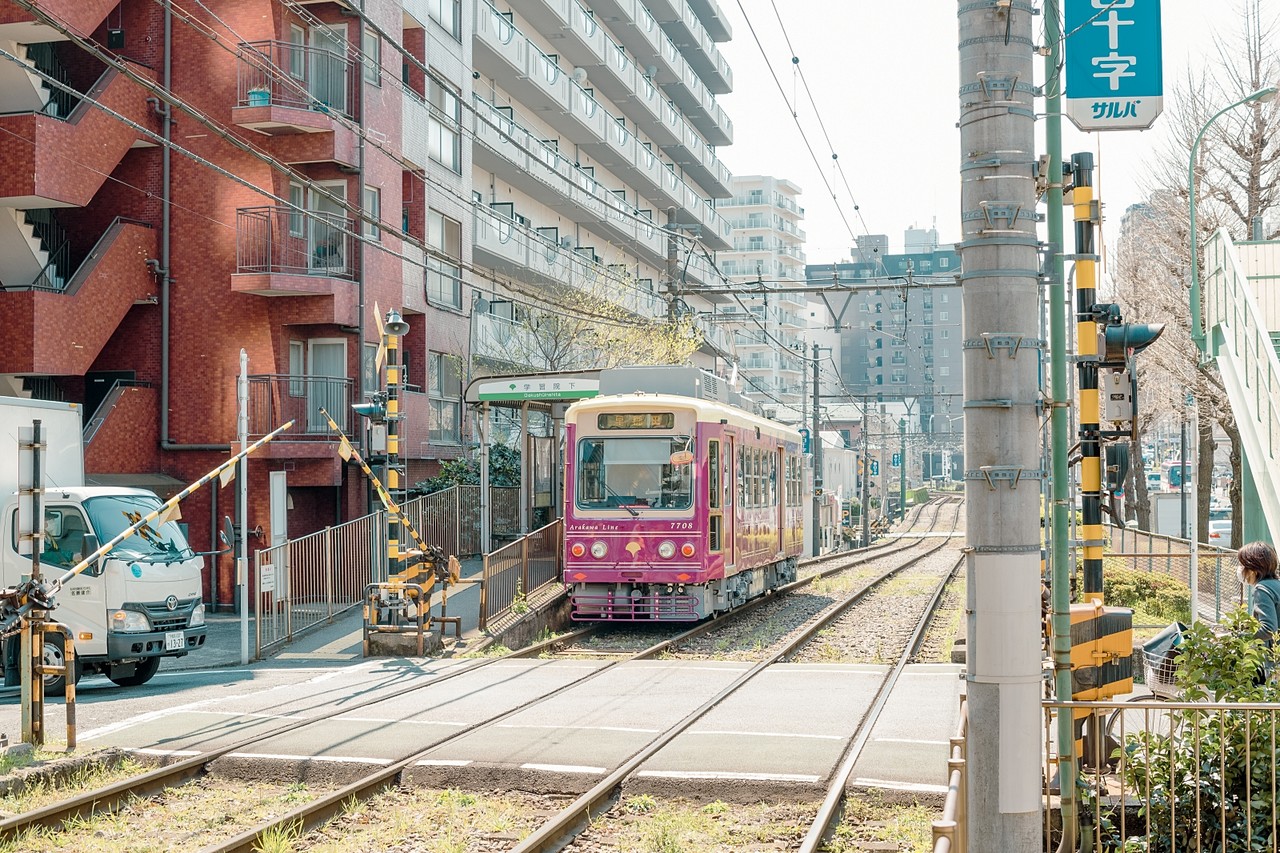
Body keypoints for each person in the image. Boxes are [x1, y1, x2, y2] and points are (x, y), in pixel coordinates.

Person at [1237, 541, 1280, 682]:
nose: (1240, 569)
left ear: (1253, 569)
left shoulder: (1262, 589)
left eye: (1242, 565)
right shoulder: (1276, 585)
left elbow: (1269, 629)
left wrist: (1241, 639)